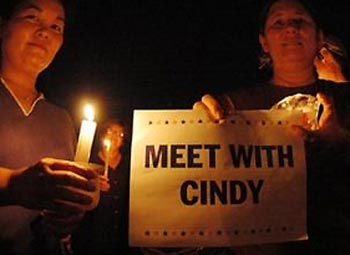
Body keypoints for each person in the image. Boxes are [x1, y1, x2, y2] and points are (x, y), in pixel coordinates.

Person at [194, 0, 350, 254]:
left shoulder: (345, 99)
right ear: (264, 42)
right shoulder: (236, 107)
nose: (290, 28)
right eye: (278, 22)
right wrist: (195, 127)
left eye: (300, 20)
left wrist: (342, 146)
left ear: (319, 37)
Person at [0, 0, 99, 254]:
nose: (45, 31)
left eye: (57, 27)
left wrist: (79, 203)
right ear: (3, 26)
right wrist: (13, 183)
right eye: (32, 17)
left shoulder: (61, 119)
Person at [72, 119, 140, 255]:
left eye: (120, 134)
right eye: (111, 131)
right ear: (102, 135)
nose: (115, 137)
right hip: (93, 237)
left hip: (122, 238)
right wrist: (93, 186)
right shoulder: (88, 163)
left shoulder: (131, 164)